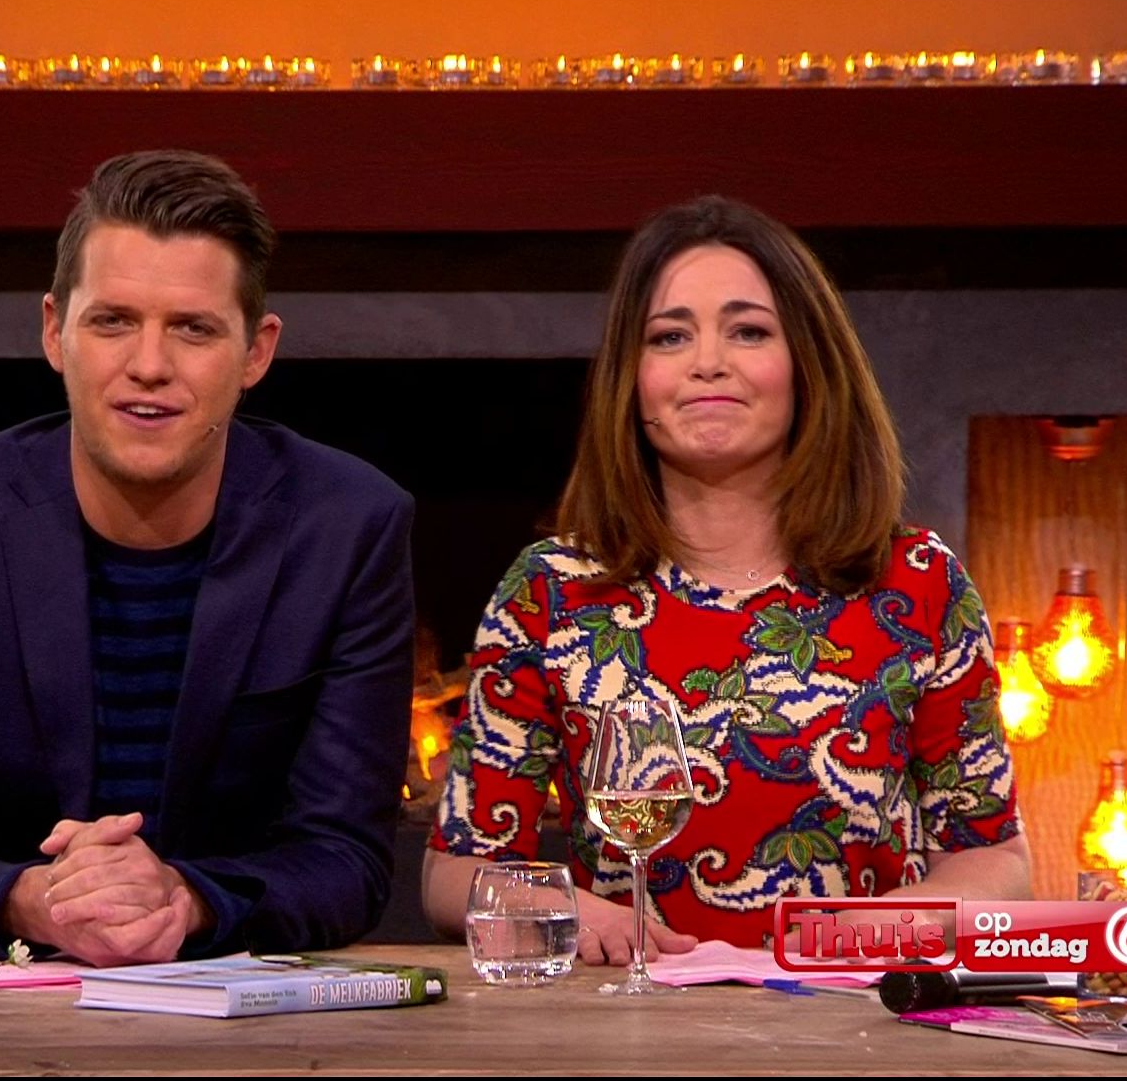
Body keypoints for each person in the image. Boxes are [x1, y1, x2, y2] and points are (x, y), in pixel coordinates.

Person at [0, 150, 415, 967]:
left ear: (256, 352)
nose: (149, 365)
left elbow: (348, 860)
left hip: (245, 1001)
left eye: (193, 328)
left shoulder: (349, 526)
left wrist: (186, 900)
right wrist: (37, 901)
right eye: (112, 321)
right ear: (54, 331)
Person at [423, 195, 1030, 965]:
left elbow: (995, 860)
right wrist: (570, 914)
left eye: (748, 331)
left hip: (853, 1011)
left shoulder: (917, 582)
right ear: (631, 378)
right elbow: (456, 872)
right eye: (670, 336)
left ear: (808, 365)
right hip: (624, 1010)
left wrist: (857, 937)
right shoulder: (552, 590)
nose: (708, 362)